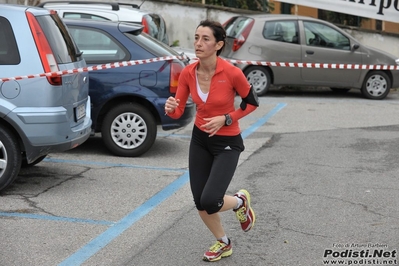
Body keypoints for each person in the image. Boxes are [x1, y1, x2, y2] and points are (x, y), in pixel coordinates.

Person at [165, 19, 259, 262]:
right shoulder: (188, 73)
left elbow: (251, 103)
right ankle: (223, 242)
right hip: (200, 140)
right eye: (196, 37)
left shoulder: (231, 73)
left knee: (211, 200)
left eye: (205, 39)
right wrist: (170, 108)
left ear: (218, 45)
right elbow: (177, 111)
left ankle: (240, 201)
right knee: (199, 201)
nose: (198, 43)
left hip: (227, 142)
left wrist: (226, 119)